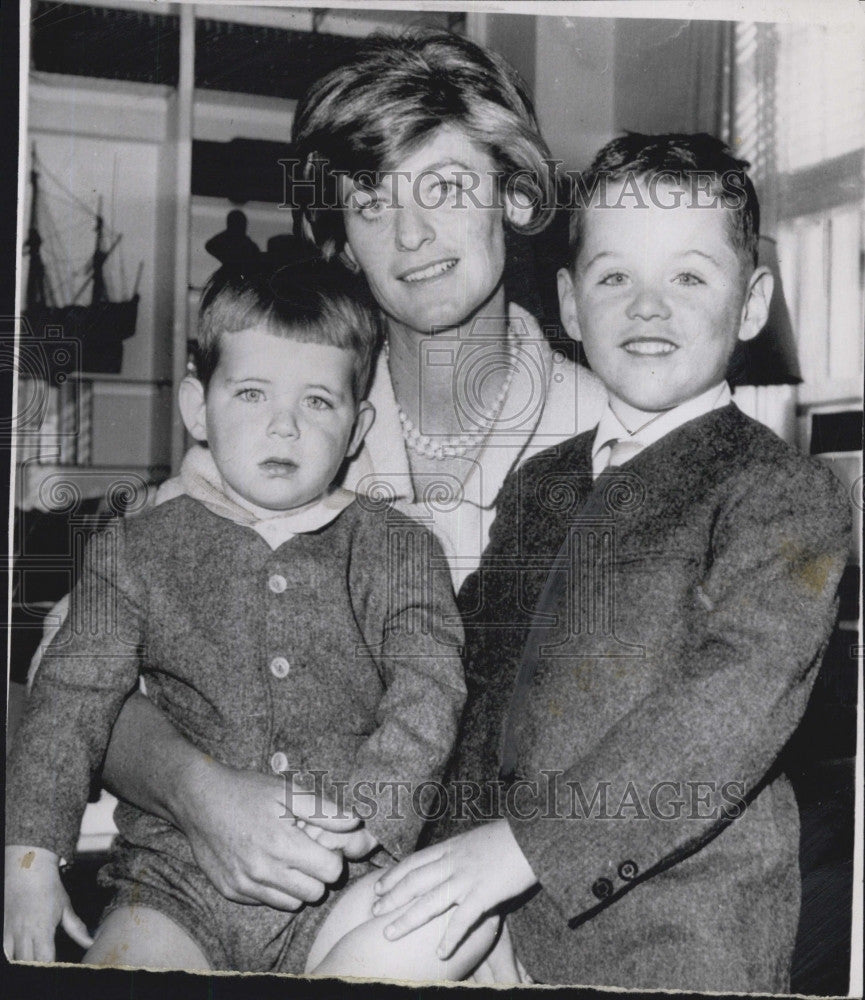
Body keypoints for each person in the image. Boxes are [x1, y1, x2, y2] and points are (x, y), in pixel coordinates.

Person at [15, 27, 606, 974]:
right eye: (371, 201)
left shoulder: (607, 438)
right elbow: (72, 660)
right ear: (338, 234)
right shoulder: (287, 426)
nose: (409, 235)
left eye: (445, 187)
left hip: (505, 925)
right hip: (221, 905)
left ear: (517, 192)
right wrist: (199, 792)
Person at [299, 133, 852, 992]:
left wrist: (520, 849)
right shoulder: (543, 484)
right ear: (567, 302)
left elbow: (721, 720)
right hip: (499, 897)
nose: (646, 307)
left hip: (674, 929)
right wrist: (388, 813)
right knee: (341, 937)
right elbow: (463, 665)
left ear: (751, 305)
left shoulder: (781, 492)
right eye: (613, 277)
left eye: (689, 277)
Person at [5, 260, 467, 972]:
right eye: (251, 393)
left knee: (441, 935)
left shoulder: (398, 548)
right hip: (174, 883)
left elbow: (428, 693)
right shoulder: (134, 546)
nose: (282, 425)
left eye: (318, 402)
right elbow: (69, 702)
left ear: (356, 428)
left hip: (350, 874)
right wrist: (30, 857)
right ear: (198, 407)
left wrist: (363, 819)